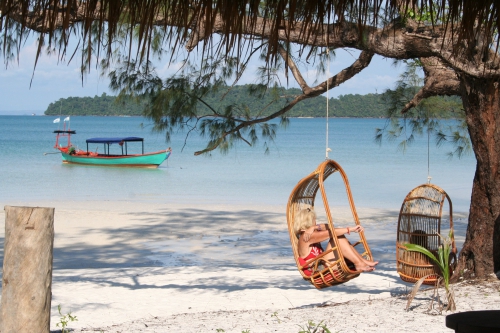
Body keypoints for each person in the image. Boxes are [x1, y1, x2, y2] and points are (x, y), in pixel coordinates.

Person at [294, 207, 378, 274]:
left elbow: (328, 226)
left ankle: (361, 261)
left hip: (324, 263)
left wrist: (314, 227)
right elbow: (331, 232)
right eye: (314, 220)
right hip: (319, 269)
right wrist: (350, 229)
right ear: (309, 221)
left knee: (338, 235)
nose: (315, 222)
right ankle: (359, 263)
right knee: (337, 236)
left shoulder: (311, 232)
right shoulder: (305, 237)